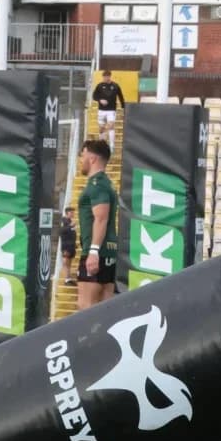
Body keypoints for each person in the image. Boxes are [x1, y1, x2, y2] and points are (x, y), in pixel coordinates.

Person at [76, 139, 117, 310]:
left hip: (96, 253)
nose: (81, 160)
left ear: (92, 158)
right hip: (109, 251)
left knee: (85, 308)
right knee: (105, 311)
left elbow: (101, 218)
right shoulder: (106, 183)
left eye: (83, 155)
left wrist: (93, 251)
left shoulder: (97, 185)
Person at [91, 70, 126, 151]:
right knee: (101, 128)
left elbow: (121, 96)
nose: (105, 78)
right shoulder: (99, 86)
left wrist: (123, 106)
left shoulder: (115, 86)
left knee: (111, 125)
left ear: (110, 76)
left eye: (107, 76)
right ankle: (102, 144)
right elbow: (94, 96)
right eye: (104, 76)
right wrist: (100, 100)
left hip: (111, 110)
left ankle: (111, 145)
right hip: (101, 110)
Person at [60, 206, 77, 285]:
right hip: (66, 245)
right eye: (71, 212)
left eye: (73, 212)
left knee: (69, 262)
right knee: (66, 261)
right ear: (67, 213)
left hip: (71, 245)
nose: (73, 214)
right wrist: (70, 226)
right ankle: (66, 279)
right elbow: (62, 231)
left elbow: (71, 233)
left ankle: (69, 278)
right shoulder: (63, 220)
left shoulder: (70, 221)